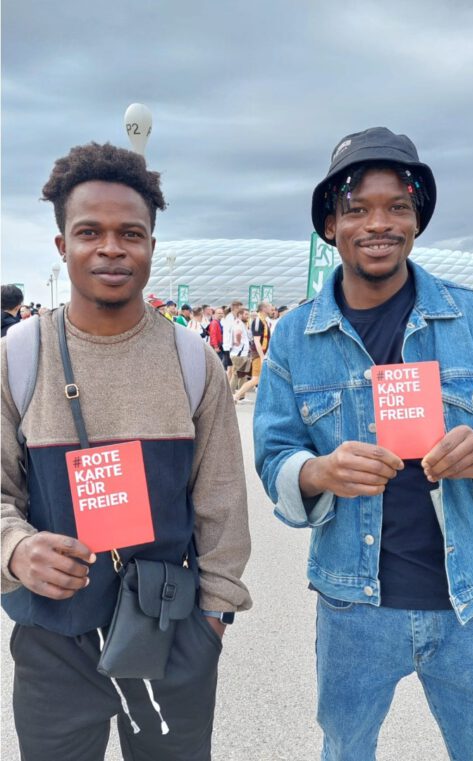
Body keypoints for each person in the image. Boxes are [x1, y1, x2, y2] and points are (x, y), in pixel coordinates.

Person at [253, 126, 473, 761]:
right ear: (330, 224)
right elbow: (275, 452)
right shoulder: (293, 337)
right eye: (358, 208)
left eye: (397, 206)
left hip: (469, 601)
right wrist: (319, 473)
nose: (379, 224)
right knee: (346, 750)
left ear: (417, 217)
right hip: (353, 604)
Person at [0, 141, 252, 760]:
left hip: (169, 629)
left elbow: (221, 503)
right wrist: (16, 549)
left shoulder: (193, 362)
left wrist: (211, 622)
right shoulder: (18, 358)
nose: (111, 247)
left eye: (130, 233)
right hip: (55, 637)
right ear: (62, 246)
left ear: (151, 248)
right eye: (90, 231)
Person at [233, 301, 271, 403]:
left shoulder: (264, 320)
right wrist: (262, 356)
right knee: (255, 379)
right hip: (258, 354)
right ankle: (236, 395)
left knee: (261, 379)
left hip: (261, 354)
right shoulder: (259, 321)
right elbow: (257, 340)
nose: (272, 308)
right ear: (264, 308)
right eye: (269, 306)